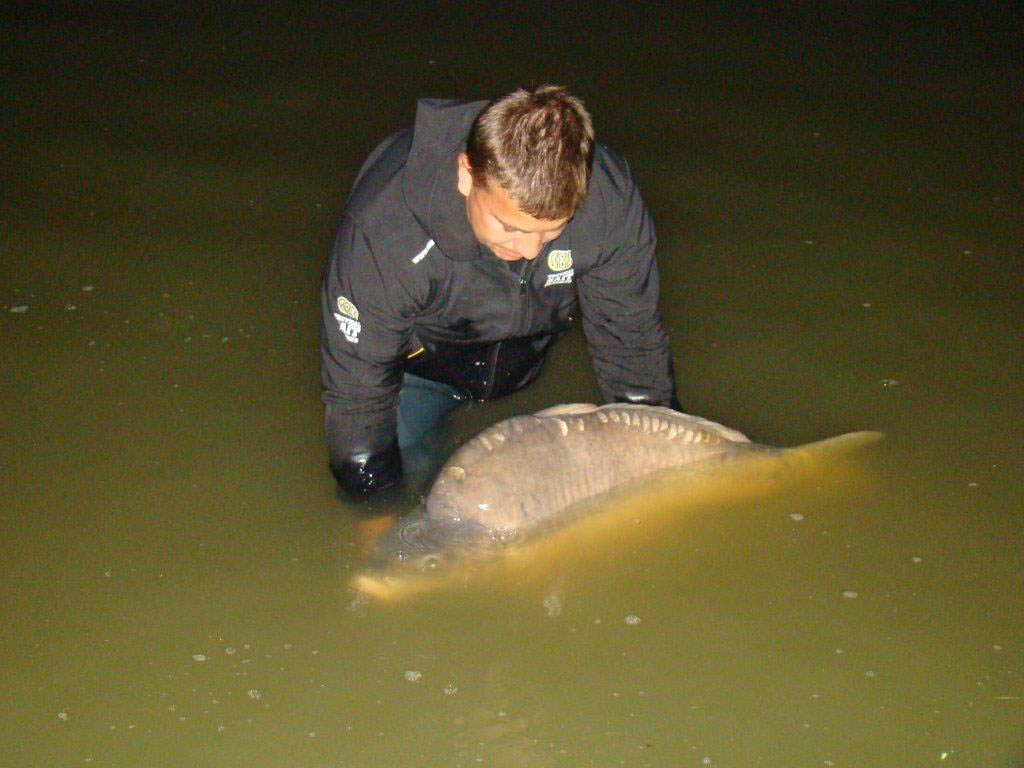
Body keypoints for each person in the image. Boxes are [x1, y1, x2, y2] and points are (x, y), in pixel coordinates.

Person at [321, 85, 680, 496]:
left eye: (552, 231)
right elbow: (358, 389)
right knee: (387, 486)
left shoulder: (607, 202)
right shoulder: (386, 233)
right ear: (466, 174)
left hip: (532, 355)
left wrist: (657, 449)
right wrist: (372, 505)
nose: (528, 251)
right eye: (508, 226)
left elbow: (629, 340)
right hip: (421, 369)